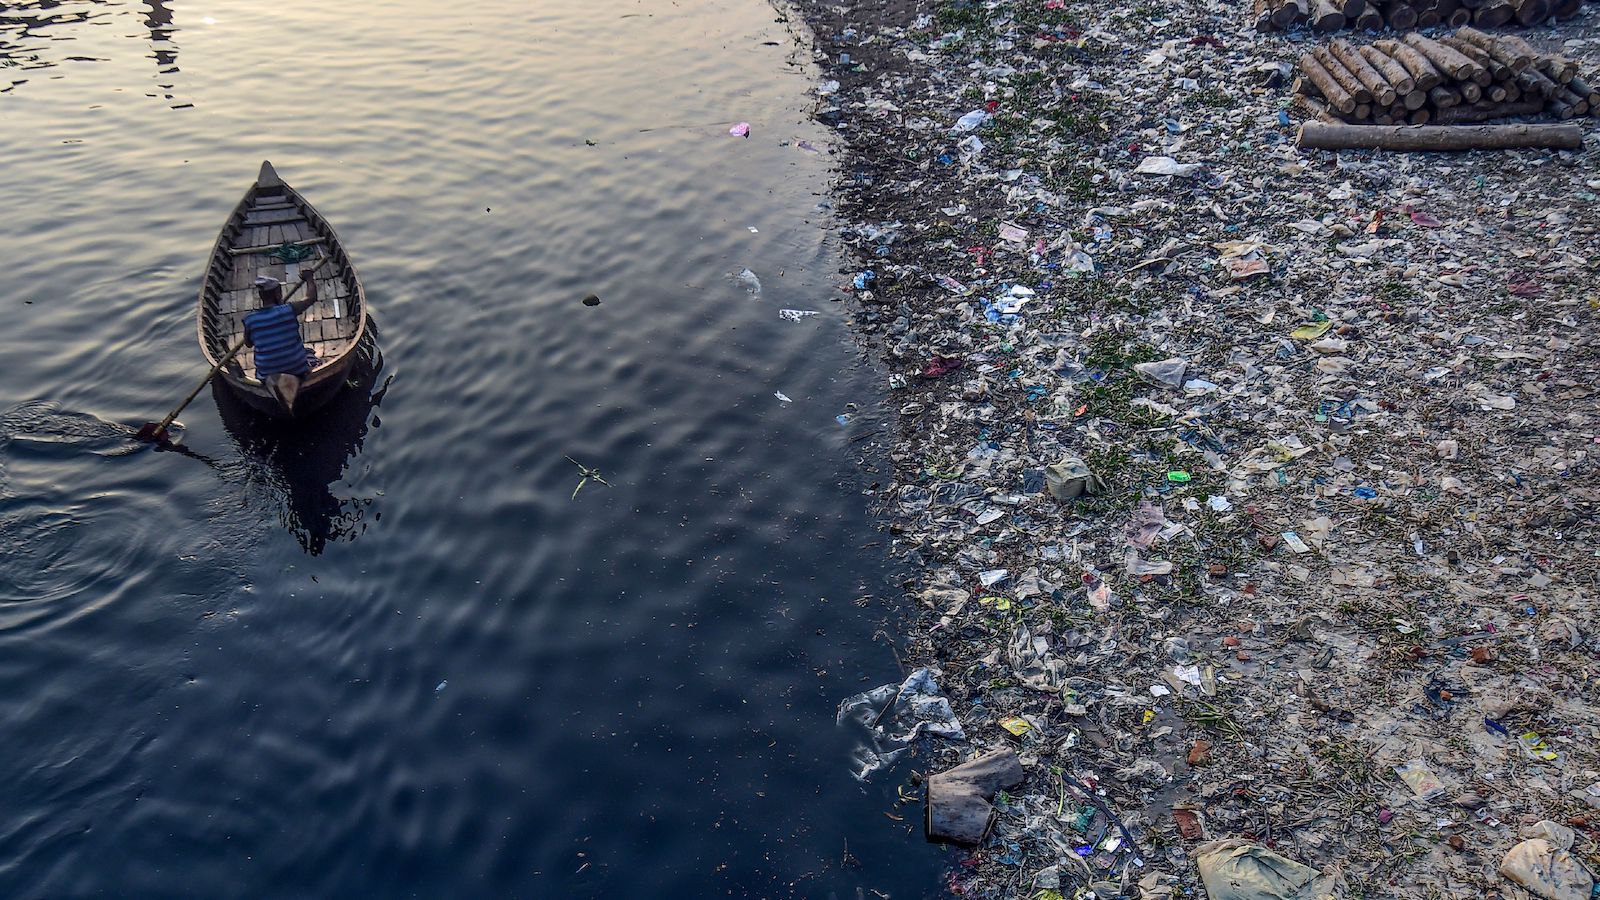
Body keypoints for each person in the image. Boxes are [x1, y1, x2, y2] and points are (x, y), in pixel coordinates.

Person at [243, 269, 319, 413]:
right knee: (309, 354)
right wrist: (309, 278)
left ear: (261, 296)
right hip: (298, 369)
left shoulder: (250, 319)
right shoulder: (289, 309)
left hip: (266, 375)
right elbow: (311, 297)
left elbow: (248, 344)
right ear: (278, 294)